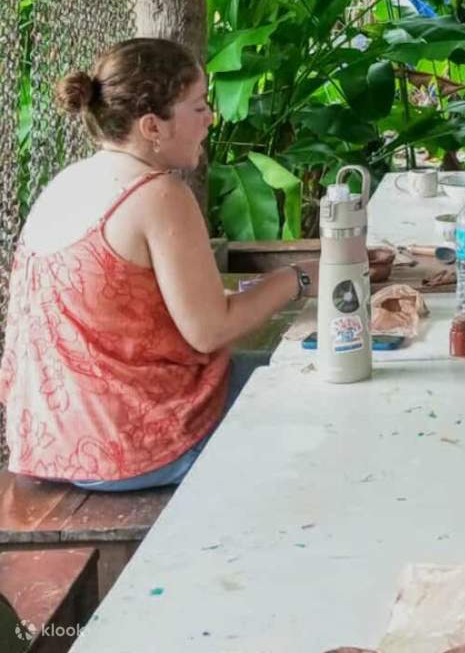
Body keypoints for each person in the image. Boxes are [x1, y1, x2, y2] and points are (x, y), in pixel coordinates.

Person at [0, 38, 318, 491]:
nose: (211, 118)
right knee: (320, 386)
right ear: (152, 125)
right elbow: (210, 330)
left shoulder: (67, 182)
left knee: (289, 367)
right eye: (199, 107)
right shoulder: (158, 194)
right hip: (139, 448)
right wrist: (301, 276)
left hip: (50, 446)